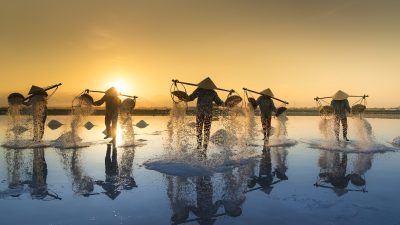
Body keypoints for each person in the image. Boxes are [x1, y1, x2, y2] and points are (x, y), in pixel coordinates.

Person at [185, 77, 223, 150]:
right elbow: (219, 103)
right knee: (206, 130)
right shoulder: (213, 93)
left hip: (200, 113)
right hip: (208, 114)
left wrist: (184, 97)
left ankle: (199, 146)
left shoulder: (199, 90)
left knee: (199, 130)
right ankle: (204, 147)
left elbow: (190, 98)